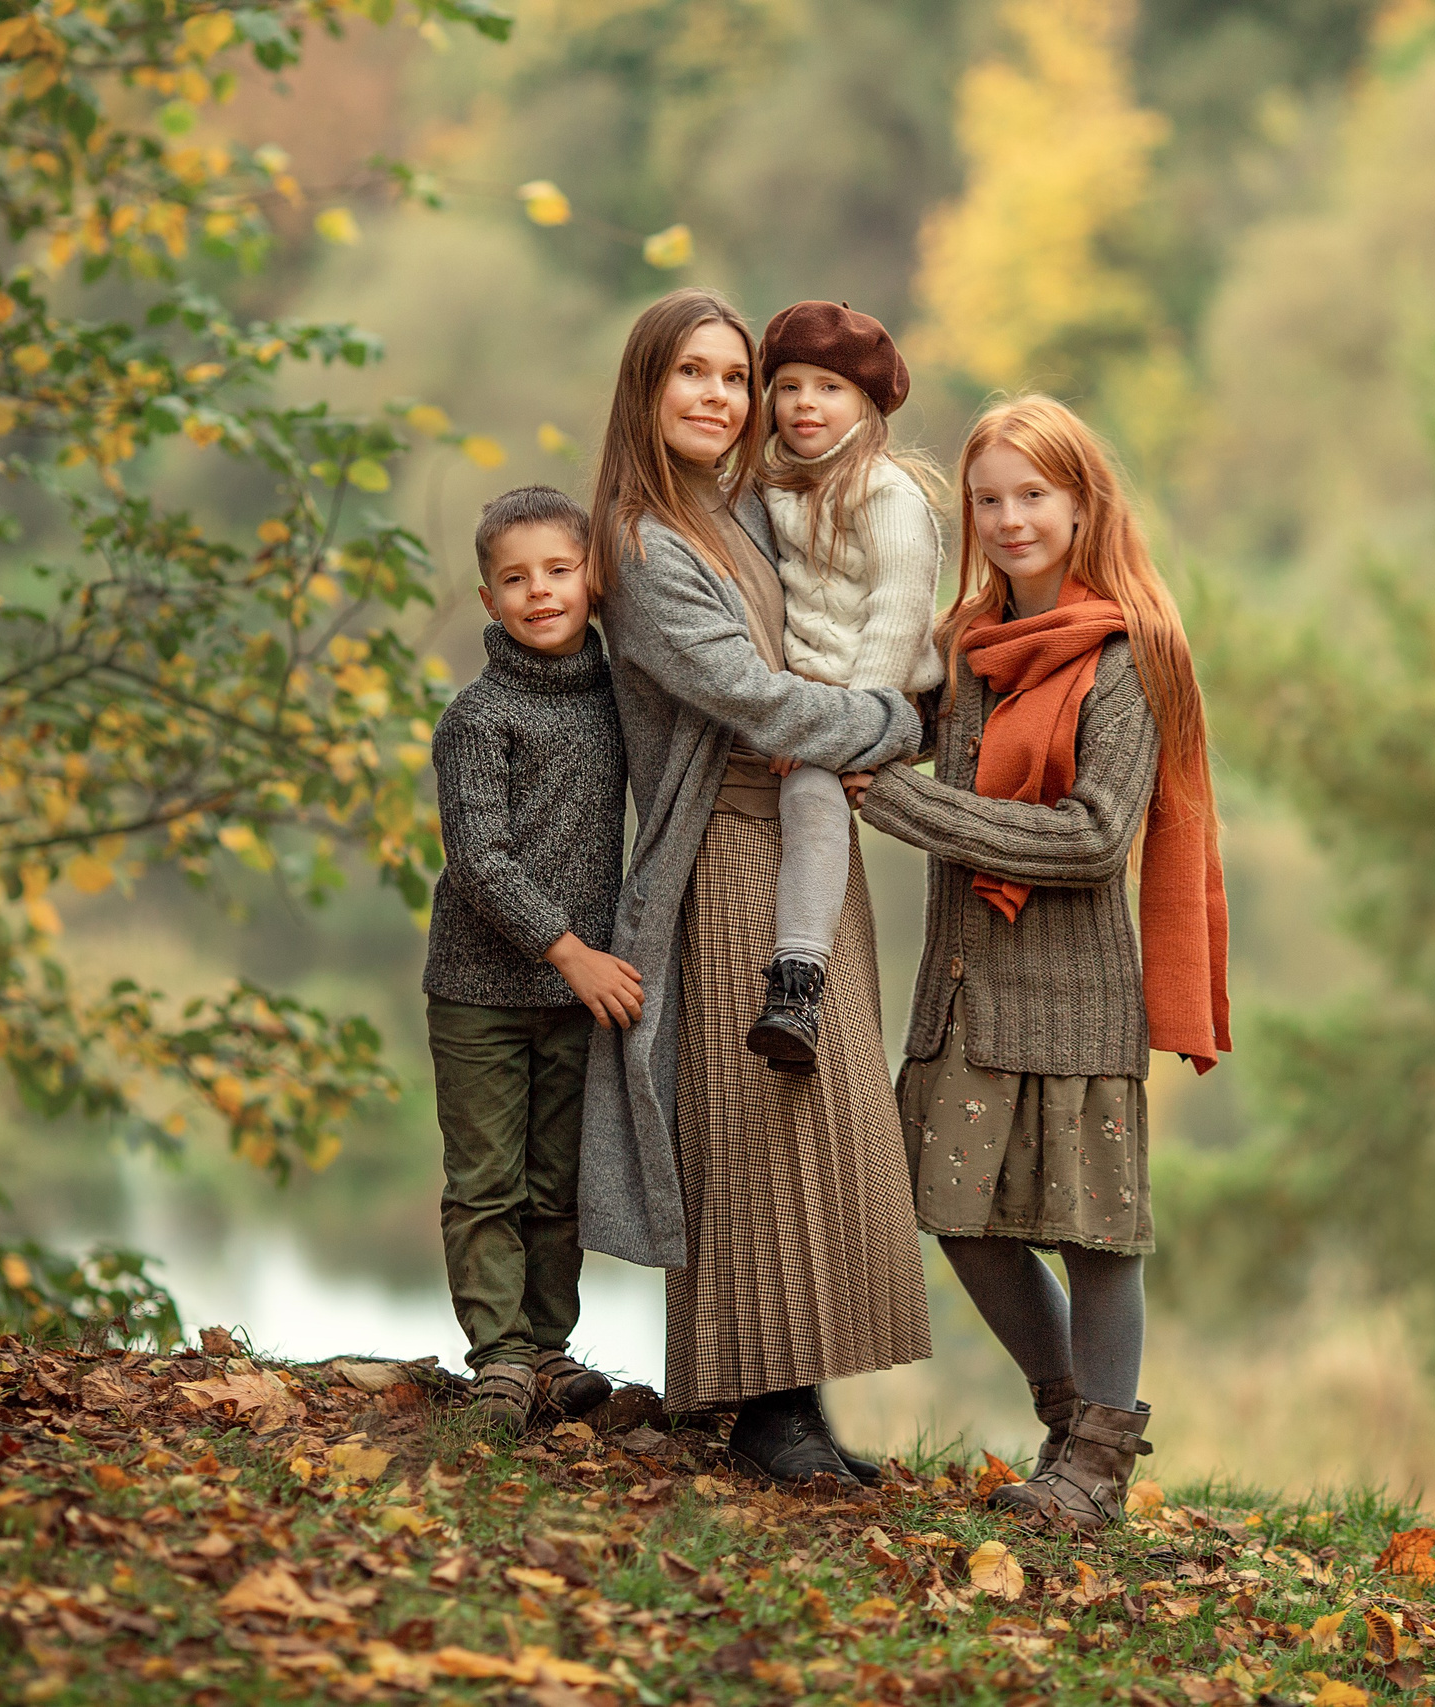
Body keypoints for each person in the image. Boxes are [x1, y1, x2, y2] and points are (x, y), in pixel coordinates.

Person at [851, 396, 1232, 1530]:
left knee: (1095, 1232)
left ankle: (1097, 1470)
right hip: (964, 987)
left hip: (1077, 997)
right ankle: (1072, 1422)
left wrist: (907, 807)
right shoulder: (967, 646)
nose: (1010, 519)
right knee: (954, 1211)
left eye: (1033, 495)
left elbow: (1092, 837)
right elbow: (882, 722)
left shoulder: (1130, 655)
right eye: (989, 500)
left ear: (1080, 504)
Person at [575, 287, 932, 1485]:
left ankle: (803, 1410)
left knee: (819, 1123)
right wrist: (893, 724)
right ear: (646, 386)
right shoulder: (641, 546)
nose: (721, 398)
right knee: (755, 1126)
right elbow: (757, 698)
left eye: (736, 378)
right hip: (727, 848)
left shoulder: (737, 512)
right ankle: (762, 1416)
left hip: (803, 839)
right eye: (695, 373)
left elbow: (842, 610)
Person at [424, 485, 644, 1437]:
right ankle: (501, 1357)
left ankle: (550, 1351)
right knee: (488, 1181)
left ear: (595, 580)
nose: (540, 591)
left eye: (559, 570)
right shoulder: (478, 718)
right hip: (481, 990)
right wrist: (571, 953)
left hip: (574, 995)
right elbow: (481, 859)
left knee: (558, 1182)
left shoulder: (623, 700)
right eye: (515, 579)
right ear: (489, 600)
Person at [744, 300, 943, 1075]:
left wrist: (835, 728)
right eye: (789, 387)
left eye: (828, 388)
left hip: (878, 698)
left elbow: (897, 614)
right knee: (800, 795)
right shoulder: (775, 485)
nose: (805, 404)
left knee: (812, 798)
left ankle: (798, 984)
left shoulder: (885, 494)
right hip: (814, 695)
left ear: (865, 404)